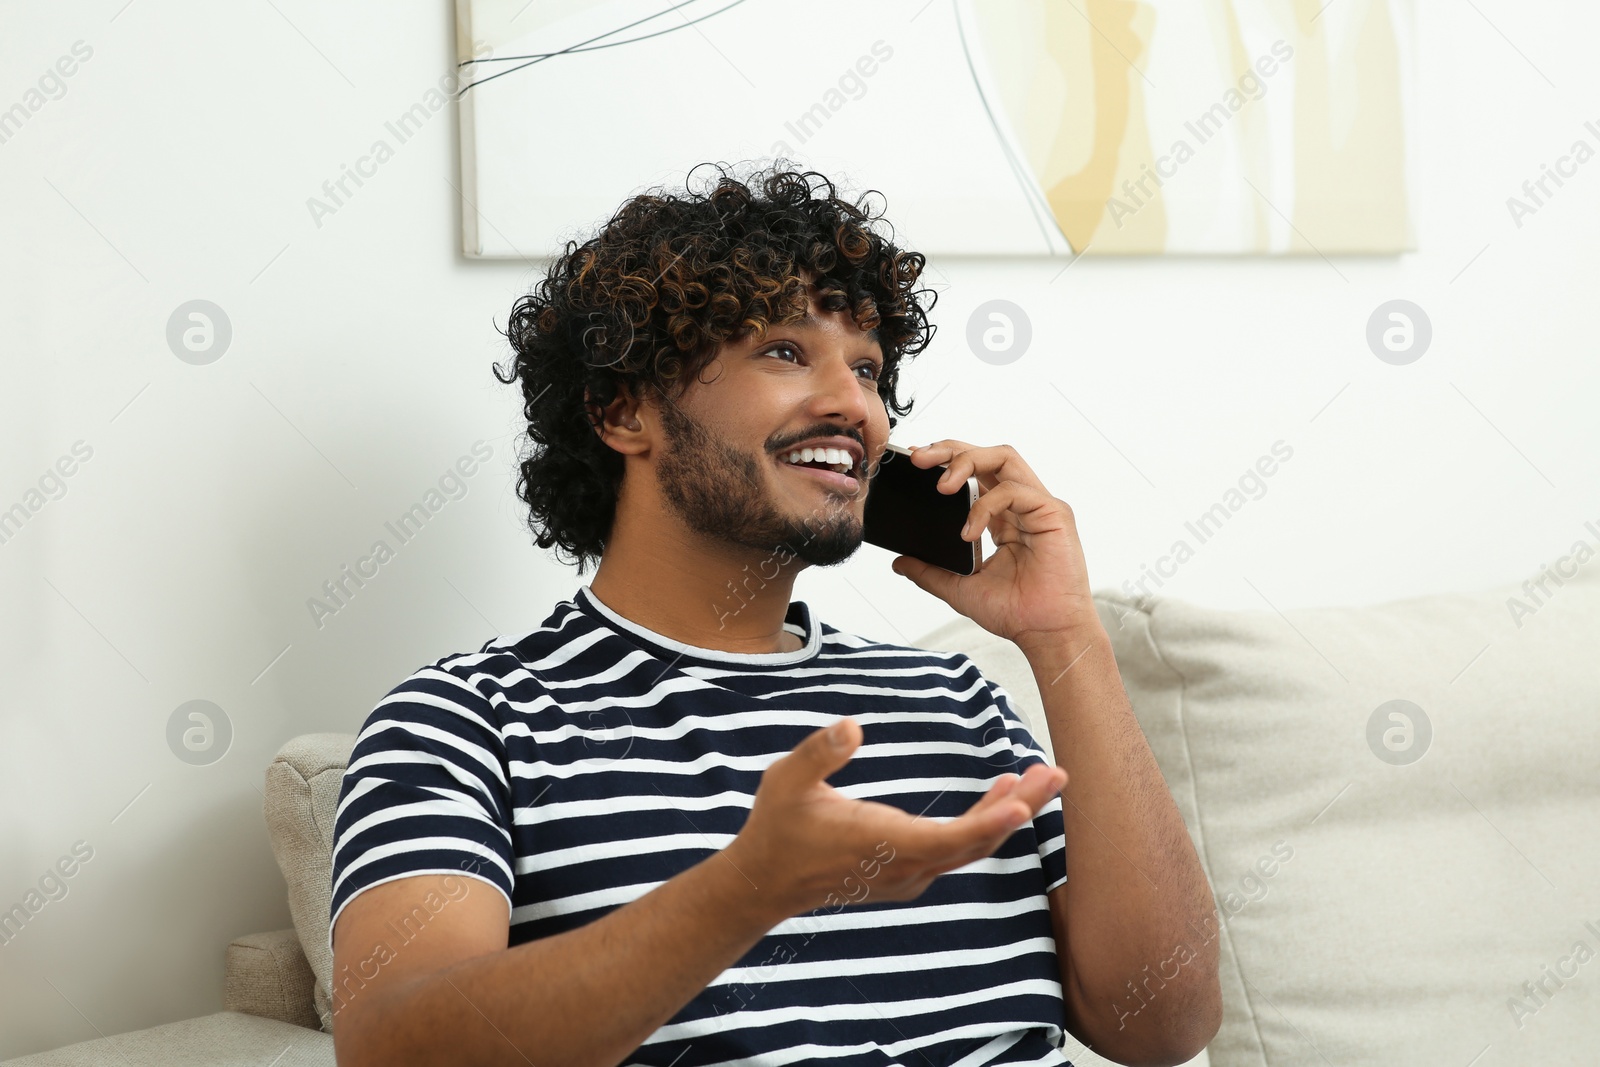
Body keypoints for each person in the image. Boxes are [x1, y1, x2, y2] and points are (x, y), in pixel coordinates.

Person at [326, 162, 1221, 1067]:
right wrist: (748, 888)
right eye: (786, 352)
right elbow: (391, 1047)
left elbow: (1165, 1024)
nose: (855, 406)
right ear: (623, 409)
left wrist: (1065, 634)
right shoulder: (467, 723)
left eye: (868, 369)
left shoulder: (956, 698)